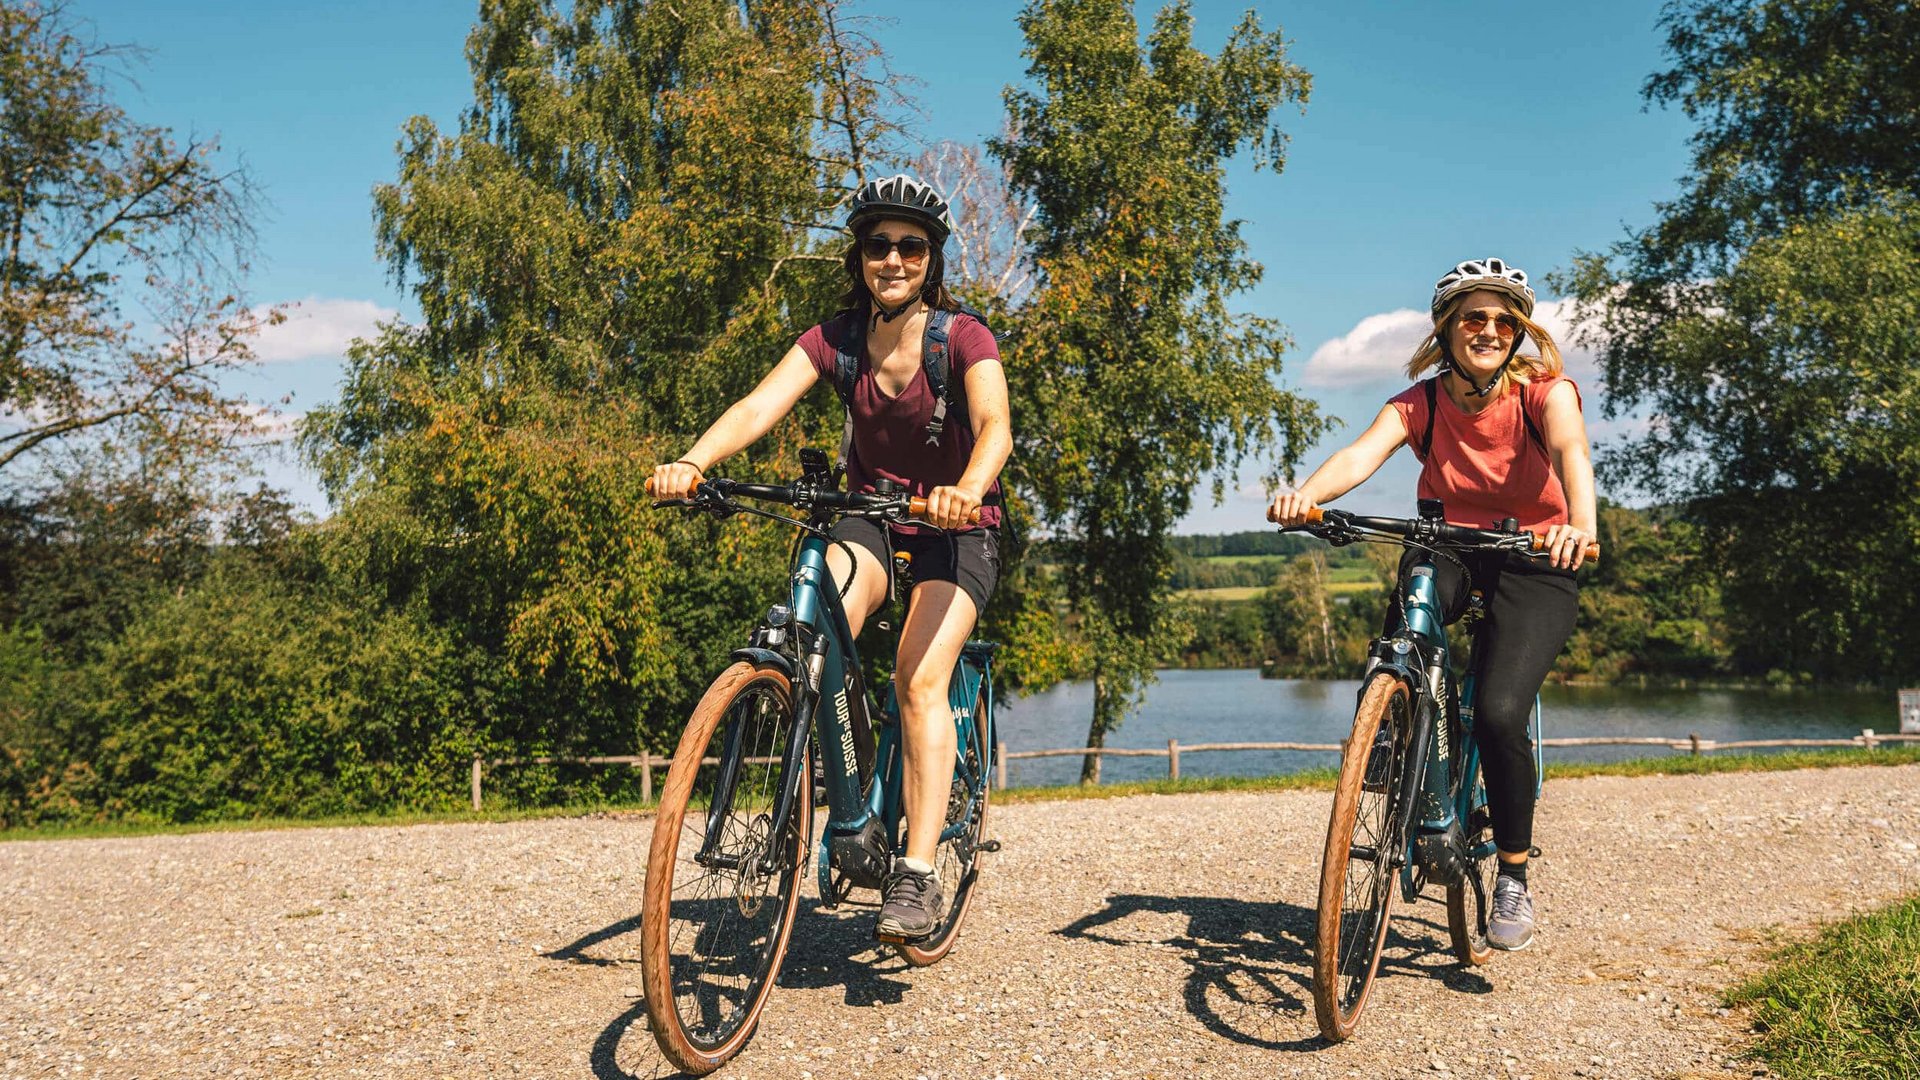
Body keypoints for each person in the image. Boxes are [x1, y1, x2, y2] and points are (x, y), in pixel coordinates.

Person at [651, 175, 1011, 941]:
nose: (893, 258)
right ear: (860, 257)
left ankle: (915, 875)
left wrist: (967, 488)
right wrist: (692, 462)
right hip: (872, 516)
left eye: (910, 246)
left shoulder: (963, 337)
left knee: (918, 678)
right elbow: (757, 405)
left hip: (955, 526)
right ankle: (837, 800)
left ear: (931, 259)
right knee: (816, 640)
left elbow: (995, 428)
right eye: (878, 244)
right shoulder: (837, 339)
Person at [1268, 257, 1596, 951]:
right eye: (1473, 317)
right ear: (1447, 328)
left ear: (1518, 333)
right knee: (1415, 593)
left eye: (1504, 321)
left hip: (1535, 557)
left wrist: (1580, 528)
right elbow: (1362, 455)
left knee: (1503, 711)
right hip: (1448, 542)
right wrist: (1309, 496)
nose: (1489, 330)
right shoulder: (1421, 402)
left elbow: (1572, 453)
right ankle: (1390, 726)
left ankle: (1512, 875)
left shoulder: (1544, 394)